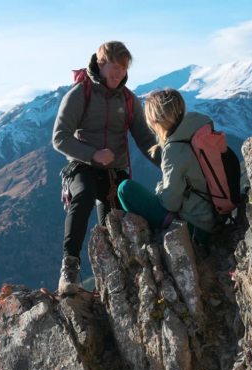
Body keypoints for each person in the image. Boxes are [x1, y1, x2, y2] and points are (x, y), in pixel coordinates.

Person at [52, 41, 160, 296]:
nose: (120, 73)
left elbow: (145, 139)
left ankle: (114, 283)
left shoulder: (129, 99)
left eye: (124, 69)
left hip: (114, 172)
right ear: (101, 64)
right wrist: (93, 154)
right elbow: (60, 137)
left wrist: (168, 163)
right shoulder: (81, 94)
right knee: (84, 194)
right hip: (82, 166)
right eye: (116, 67)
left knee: (115, 225)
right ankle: (69, 269)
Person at [117, 88, 216, 244]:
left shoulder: (175, 149)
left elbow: (171, 202)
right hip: (216, 216)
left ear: (155, 120)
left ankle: (148, 241)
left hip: (196, 228)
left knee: (125, 189)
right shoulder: (202, 132)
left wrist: (160, 191)